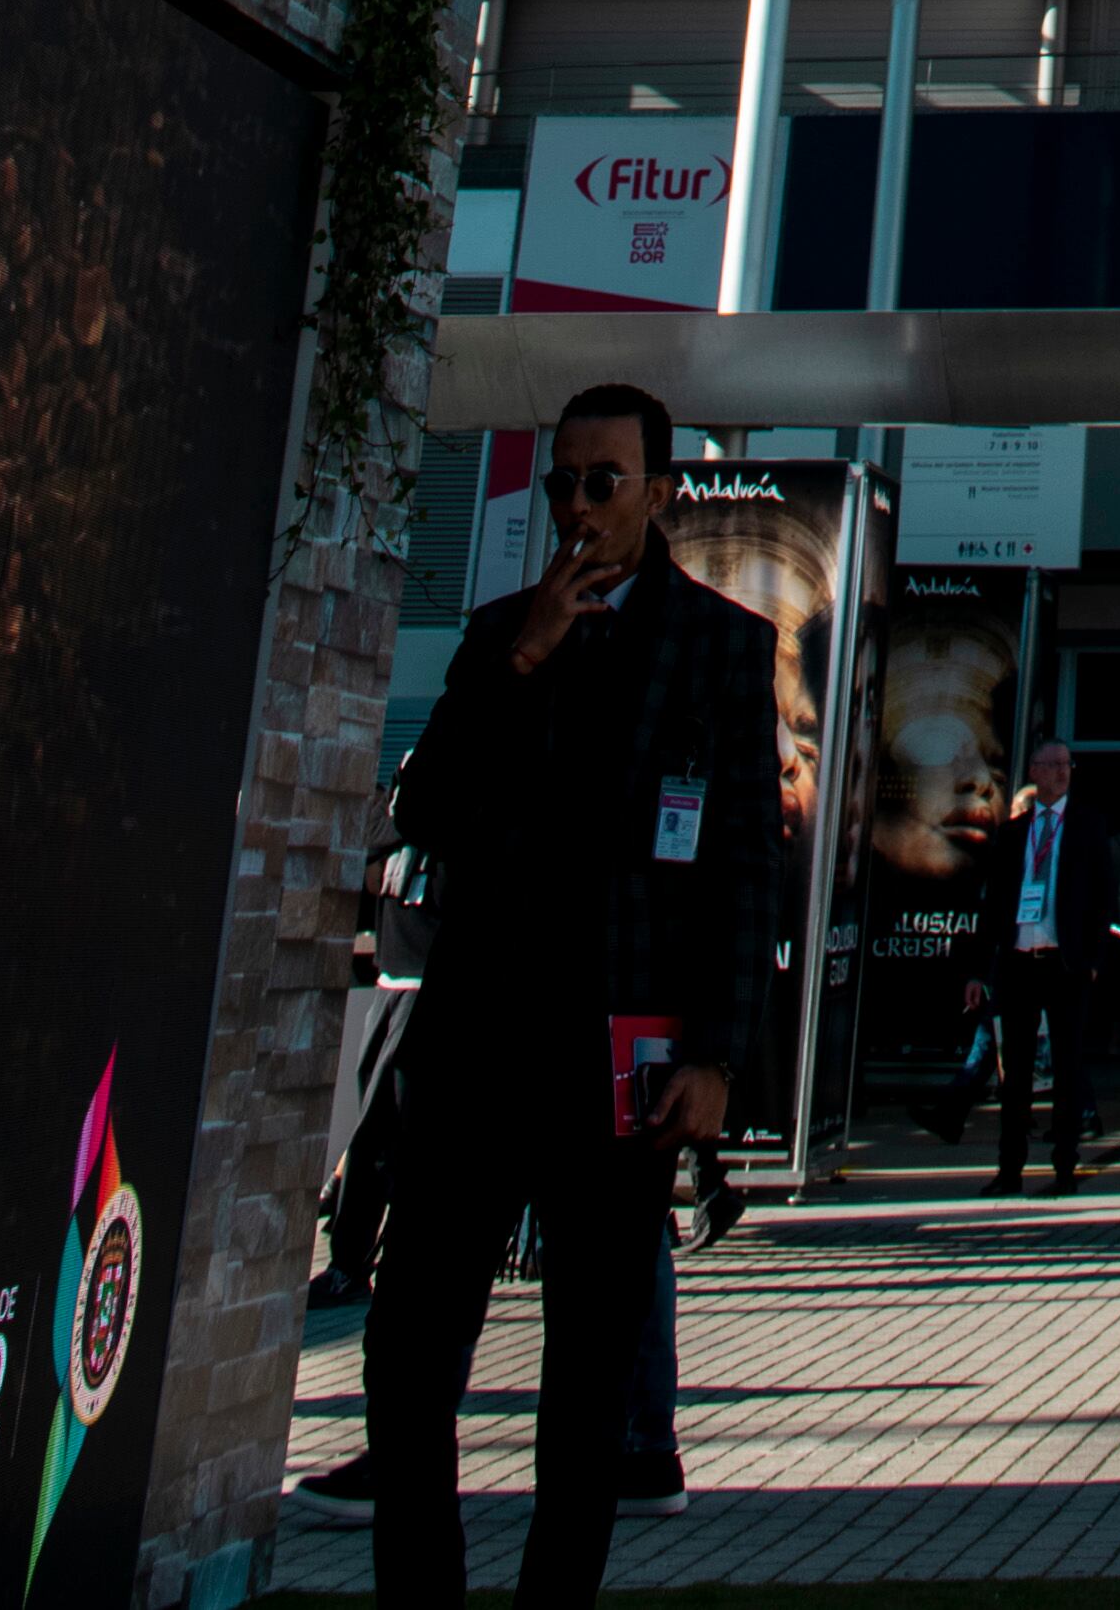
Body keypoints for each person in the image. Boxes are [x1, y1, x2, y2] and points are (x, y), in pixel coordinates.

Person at [360, 385, 782, 1610]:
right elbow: (426, 810)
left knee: (585, 1382)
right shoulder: (501, 630)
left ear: (658, 493)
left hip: (618, 1061)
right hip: (476, 1049)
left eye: (605, 480)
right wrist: (523, 657)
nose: (580, 504)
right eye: (563, 482)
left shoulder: (720, 646)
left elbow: (744, 862)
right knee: (407, 1355)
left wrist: (717, 1053)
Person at [960, 738, 1116, 1194]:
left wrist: (1091, 961)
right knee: (1017, 1072)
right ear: (1034, 770)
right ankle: (1010, 1169)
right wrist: (977, 969)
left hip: (1064, 963)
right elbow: (992, 907)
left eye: (1067, 764)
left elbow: (1102, 897)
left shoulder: (1087, 826)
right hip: (1018, 961)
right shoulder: (1013, 834)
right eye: (1052, 765)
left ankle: (1064, 1166)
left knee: (1067, 1068)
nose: (1062, 772)